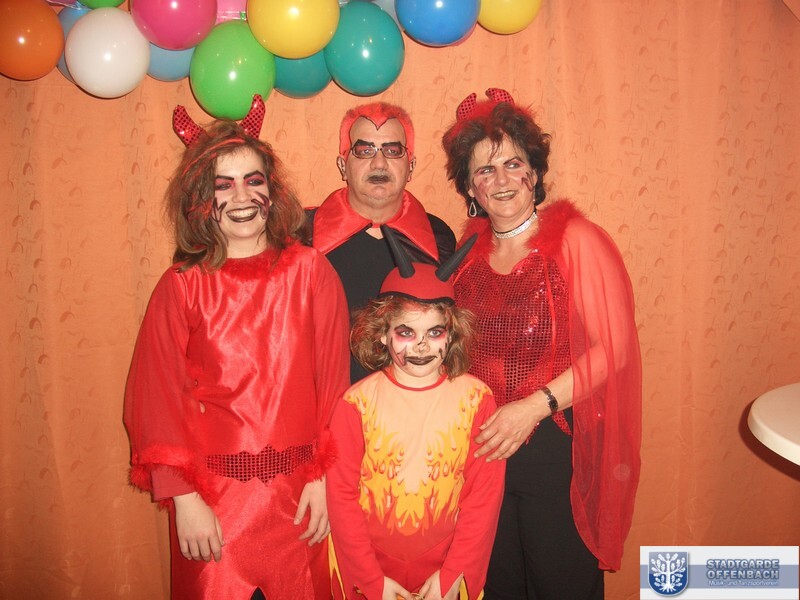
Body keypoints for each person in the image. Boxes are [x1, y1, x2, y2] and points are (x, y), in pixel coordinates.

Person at [123, 96, 350, 600]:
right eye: (223, 185)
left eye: (253, 179)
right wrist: (185, 499)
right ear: (201, 200)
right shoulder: (182, 286)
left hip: (301, 501)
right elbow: (157, 397)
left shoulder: (311, 272)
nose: (242, 196)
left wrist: (326, 481)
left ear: (272, 189)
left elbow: (334, 385)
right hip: (214, 507)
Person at [441, 88, 642, 599]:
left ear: (534, 173)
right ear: (470, 186)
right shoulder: (466, 254)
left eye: (513, 164)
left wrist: (532, 407)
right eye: (485, 170)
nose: (501, 180)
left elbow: (615, 348)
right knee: (498, 585)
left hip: (552, 445)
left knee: (561, 585)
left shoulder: (577, 240)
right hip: (481, 451)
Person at [326, 229, 504, 600]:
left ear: (451, 335)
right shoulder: (356, 404)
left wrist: (453, 574)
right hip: (372, 566)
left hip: (446, 565)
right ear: (382, 334)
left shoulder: (477, 400)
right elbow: (341, 497)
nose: (421, 346)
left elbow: (482, 499)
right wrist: (370, 580)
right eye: (406, 332)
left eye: (434, 332)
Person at [307, 102, 456, 383]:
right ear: (343, 165)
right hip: (325, 400)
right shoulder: (303, 235)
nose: (379, 163)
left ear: (410, 166)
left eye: (392, 150)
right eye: (364, 151)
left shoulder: (439, 238)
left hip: (413, 402)